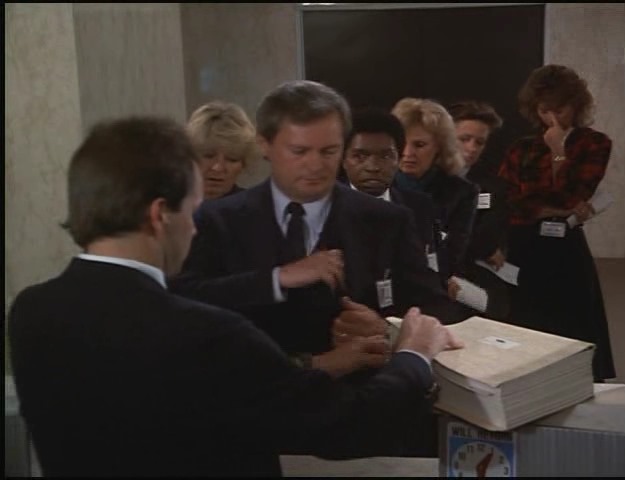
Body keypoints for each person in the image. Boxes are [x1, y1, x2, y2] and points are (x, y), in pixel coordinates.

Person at [7, 115, 463, 476]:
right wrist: (413, 355)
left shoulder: (32, 310)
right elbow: (344, 425)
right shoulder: (206, 333)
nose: (194, 228)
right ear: (160, 215)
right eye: (193, 212)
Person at [169, 81, 475, 369]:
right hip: (257, 394)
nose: (315, 165)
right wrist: (278, 278)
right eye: (299, 151)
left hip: (364, 395)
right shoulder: (217, 219)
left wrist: (386, 328)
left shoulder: (387, 219)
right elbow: (182, 303)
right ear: (265, 145)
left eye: (328, 151)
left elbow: (436, 307)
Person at [497, 64, 616, 381]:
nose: (552, 118)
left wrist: (559, 153)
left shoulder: (594, 143)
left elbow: (572, 195)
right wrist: (551, 207)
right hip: (523, 243)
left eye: (559, 109)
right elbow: (510, 201)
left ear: (575, 106)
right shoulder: (521, 148)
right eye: (544, 110)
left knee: (574, 321)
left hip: (565, 245)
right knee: (525, 321)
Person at [391, 98, 479, 283]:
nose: (407, 153)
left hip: (433, 281)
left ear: (440, 147)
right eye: (401, 142)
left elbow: (453, 253)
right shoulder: (375, 185)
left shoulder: (462, 192)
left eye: (419, 145)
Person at [341, 108, 440, 268]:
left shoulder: (420, 206)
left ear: (399, 160)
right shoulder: (323, 210)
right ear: (343, 160)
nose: (373, 167)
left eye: (386, 156)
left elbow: (432, 266)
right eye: (360, 156)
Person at [447, 100, 511, 320]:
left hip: (477, 272)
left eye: (479, 142)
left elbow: (495, 228)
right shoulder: (426, 179)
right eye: (464, 139)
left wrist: (494, 248)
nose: (472, 148)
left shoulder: (492, 184)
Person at [186, 101, 258, 200]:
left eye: (232, 159)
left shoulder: (256, 207)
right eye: (209, 155)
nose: (218, 168)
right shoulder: (168, 204)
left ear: (243, 164)